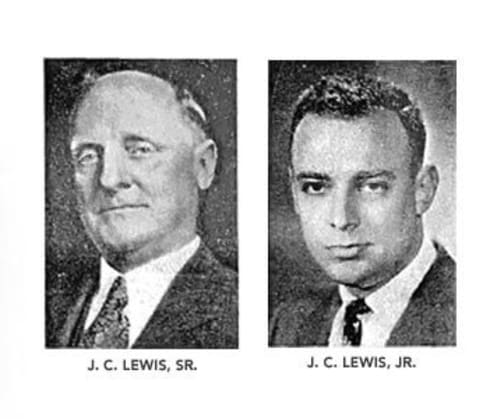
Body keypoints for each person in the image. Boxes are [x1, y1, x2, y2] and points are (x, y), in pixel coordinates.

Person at [46, 69, 237, 349]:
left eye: (140, 150)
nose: (109, 179)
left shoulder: (245, 314)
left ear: (203, 166)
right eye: (88, 156)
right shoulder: (41, 305)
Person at [269, 73, 453, 347]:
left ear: (423, 190)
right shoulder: (288, 323)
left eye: (372, 187)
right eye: (316, 187)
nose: (341, 220)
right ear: (295, 193)